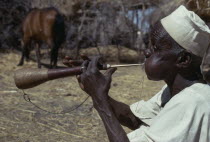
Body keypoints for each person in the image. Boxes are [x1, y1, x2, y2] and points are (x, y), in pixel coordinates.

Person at [63, 5, 210, 142]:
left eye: (155, 48)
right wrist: (94, 87)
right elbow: (134, 118)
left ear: (183, 59)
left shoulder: (192, 103)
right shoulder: (173, 91)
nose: (147, 52)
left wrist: (100, 98)